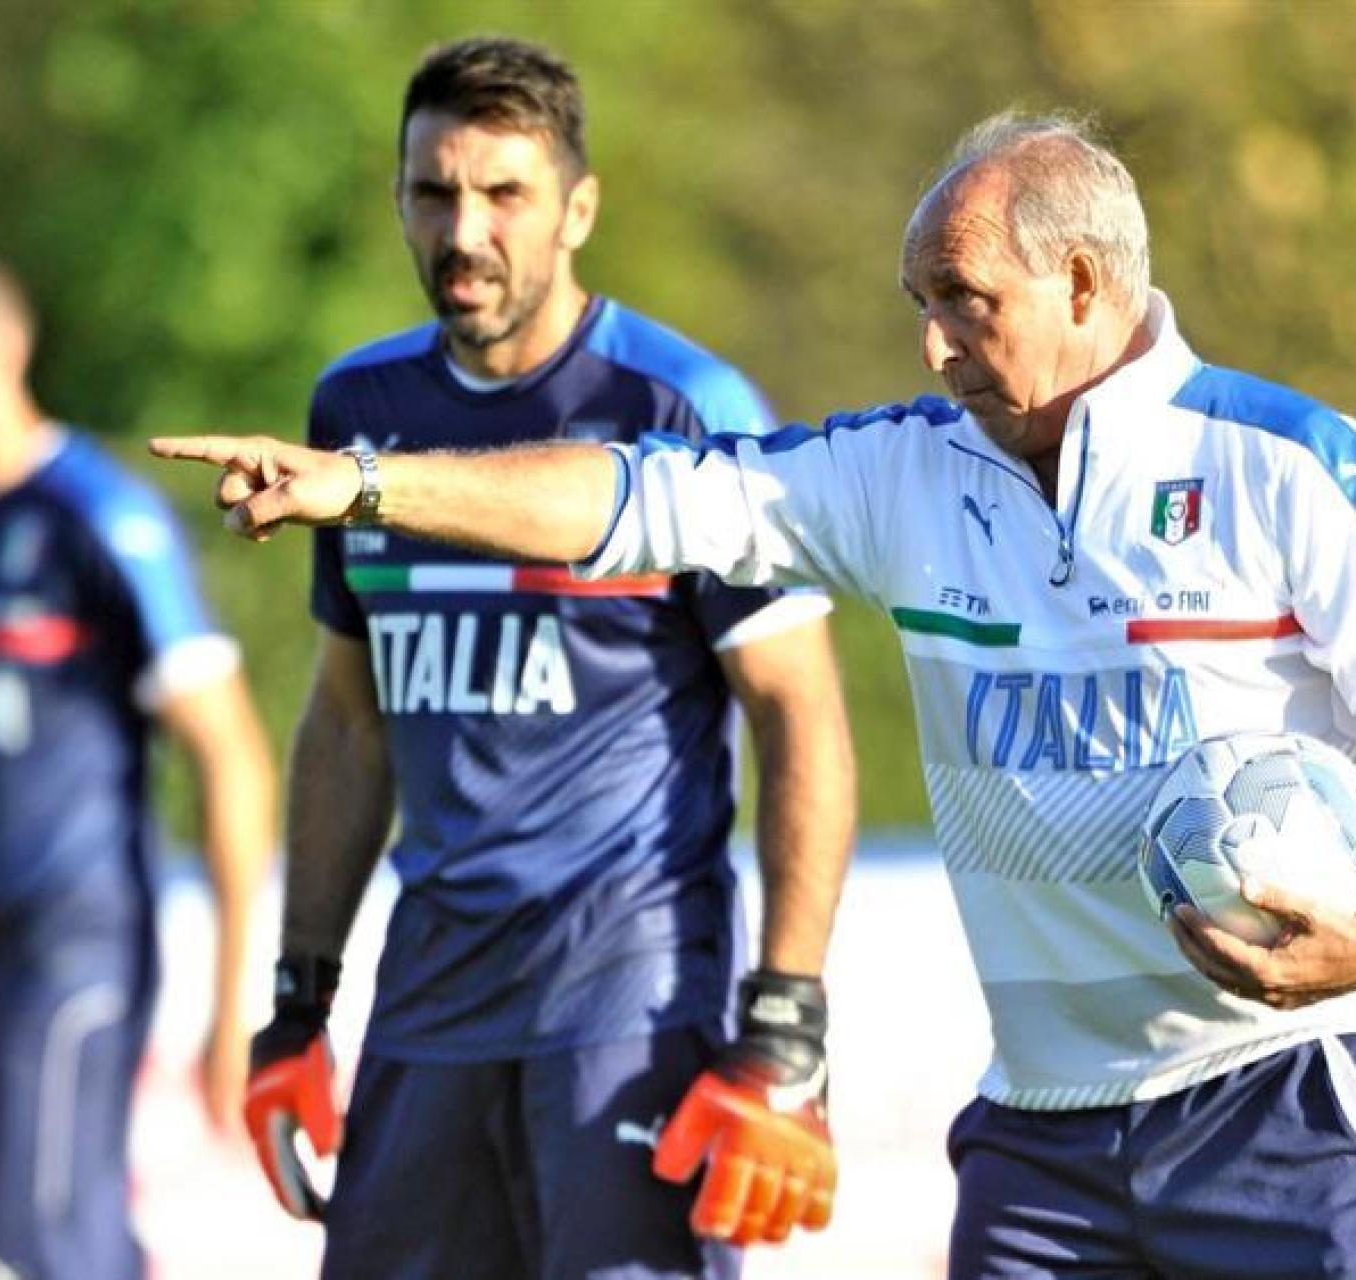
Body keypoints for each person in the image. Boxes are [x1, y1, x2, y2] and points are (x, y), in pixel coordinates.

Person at [155, 109, 1356, 1278]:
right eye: (916, 305)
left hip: (1292, 1102)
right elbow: (639, 497)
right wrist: (374, 485)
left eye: (962, 299)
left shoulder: (1286, 463)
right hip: (1043, 1133)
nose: (930, 346)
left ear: (1087, 285)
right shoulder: (908, 471)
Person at [217, 37, 856, 1280]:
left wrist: (785, 1016)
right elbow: (347, 723)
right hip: (427, 1006)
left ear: (578, 208)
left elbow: (799, 712)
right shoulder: (352, 411)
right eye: (432, 192)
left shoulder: (681, 407)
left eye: (503, 193)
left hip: (627, 1002)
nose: (465, 230)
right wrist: (297, 1003)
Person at [0, 247, 277, 1280]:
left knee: (11, 1253)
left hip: (75, 955)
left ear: (0, 349)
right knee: (68, 1241)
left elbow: (234, 756)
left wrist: (237, 1002)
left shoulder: (99, 517)